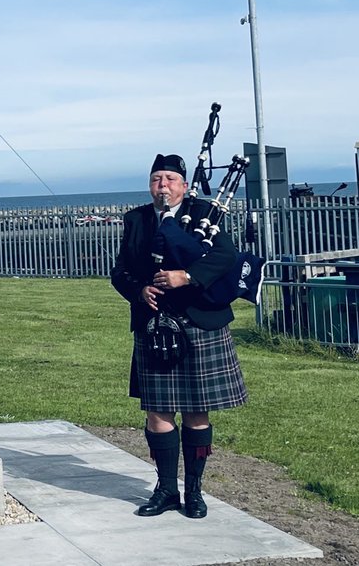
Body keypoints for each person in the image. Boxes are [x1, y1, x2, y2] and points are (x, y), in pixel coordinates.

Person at [111, 153, 248, 519]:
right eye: (157, 179)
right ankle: (167, 490)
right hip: (155, 325)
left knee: (196, 411)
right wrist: (139, 290)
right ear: (150, 185)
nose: (163, 186)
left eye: (170, 179)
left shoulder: (205, 215)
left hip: (199, 322)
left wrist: (185, 277)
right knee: (158, 412)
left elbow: (225, 257)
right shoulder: (136, 219)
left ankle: (195, 492)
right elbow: (120, 270)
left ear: (183, 186)